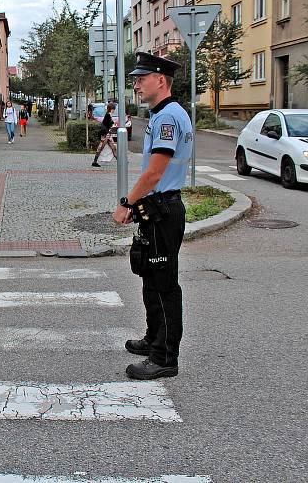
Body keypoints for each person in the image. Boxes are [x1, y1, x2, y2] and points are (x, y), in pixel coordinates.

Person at [112, 52, 193, 381]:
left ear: (161, 80)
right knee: (149, 277)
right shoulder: (163, 114)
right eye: (135, 79)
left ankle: (164, 357)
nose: (136, 84)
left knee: (164, 285)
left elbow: (155, 173)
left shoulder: (168, 118)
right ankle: (153, 339)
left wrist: (127, 202)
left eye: (141, 79)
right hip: (156, 208)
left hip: (164, 209)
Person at [92, 102, 118, 167]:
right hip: (105, 135)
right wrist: (114, 123)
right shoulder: (108, 115)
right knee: (101, 147)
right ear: (111, 109)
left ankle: (120, 161)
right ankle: (94, 161)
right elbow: (108, 124)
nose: (114, 110)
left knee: (113, 147)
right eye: (113, 109)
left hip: (108, 134)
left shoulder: (109, 115)